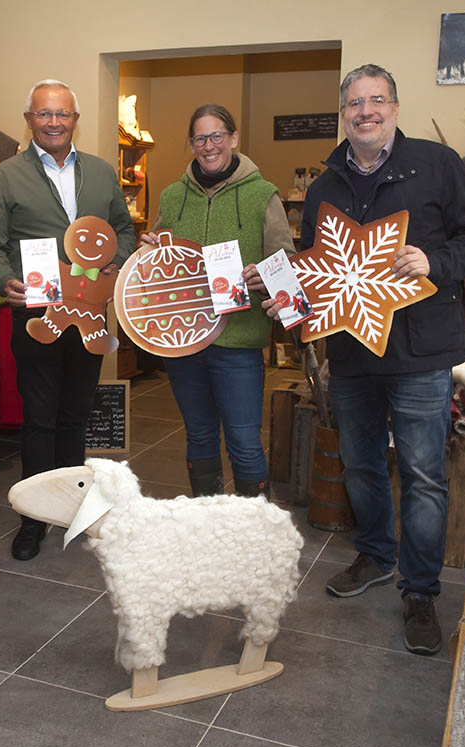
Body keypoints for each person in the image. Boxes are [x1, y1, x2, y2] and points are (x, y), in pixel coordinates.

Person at [266, 64, 465, 655]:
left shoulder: (438, 165)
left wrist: (434, 263)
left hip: (421, 349)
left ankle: (420, 591)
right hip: (352, 352)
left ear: (394, 107)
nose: (365, 111)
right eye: (354, 103)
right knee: (361, 462)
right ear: (344, 112)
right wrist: (289, 301)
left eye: (376, 101)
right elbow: (321, 270)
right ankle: (374, 554)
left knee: (422, 473)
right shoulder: (323, 188)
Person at [0, 79, 134, 561]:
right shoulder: (5, 177)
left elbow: (124, 229)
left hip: (90, 319)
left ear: (74, 120)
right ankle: (33, 519)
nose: (53, 122)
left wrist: (114, 262)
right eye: (44, 114)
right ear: (29, 120)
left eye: (62, 114)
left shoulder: (103, 174)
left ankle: (75, 510)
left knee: (76, 417)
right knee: (39, 422)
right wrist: (7, 282)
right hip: (37, 317)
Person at [141, 104, 294, 497]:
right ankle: (207, 524)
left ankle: (251, 532)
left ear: (233, 138)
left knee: (243, 441)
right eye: (200, 138)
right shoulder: (173, 196)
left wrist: (267, 276)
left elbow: (288, 265)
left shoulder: (263, 195)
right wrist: (151, 249)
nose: (209, 146)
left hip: (238, 343)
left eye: (217, 136)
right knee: (199, 435)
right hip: (184, 341)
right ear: (190, 144)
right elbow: (160, 255)